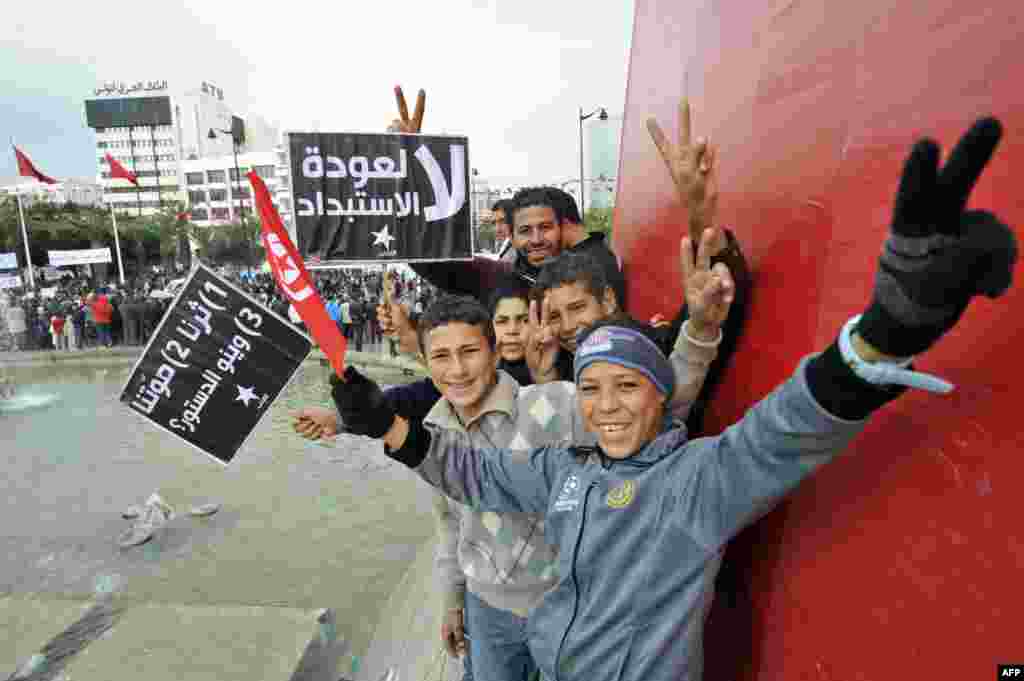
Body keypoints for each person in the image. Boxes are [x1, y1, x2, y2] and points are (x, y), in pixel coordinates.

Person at [326, 117, 1016, 681]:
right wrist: (383, 421)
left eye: (627, 385)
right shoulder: (565, 468)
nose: (608, 405)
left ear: (664, 396)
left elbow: (791, 423)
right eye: (591, 389)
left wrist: (888, 328)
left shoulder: (696, 482)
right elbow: (473, 471)